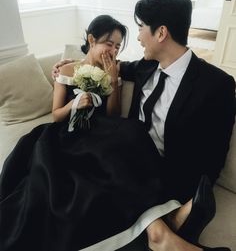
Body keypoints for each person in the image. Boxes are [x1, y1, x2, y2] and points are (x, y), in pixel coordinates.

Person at [52, 0, 235, 251]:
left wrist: (195, 191)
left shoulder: (217, 85)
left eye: (141, 29)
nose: (137, 37)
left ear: (161, 33)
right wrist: (68, 64)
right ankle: (164, 227)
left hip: (163, 171)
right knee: (101, 155)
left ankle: (168, 222)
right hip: (126, 156)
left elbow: (216, 151)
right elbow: (109, 65)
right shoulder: (145, 66)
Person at [0, 14, 198, 251]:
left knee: (131, 132)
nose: (112, 51)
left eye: (117, 46)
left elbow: (113, 115)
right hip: (67, 133)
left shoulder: (113, 71)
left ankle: (160, 215)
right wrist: (75, 104)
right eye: (109, 44)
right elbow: (56, 114)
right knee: (56, 183)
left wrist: (113, 81)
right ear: (92, 40)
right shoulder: (69, 69)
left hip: (101, 129)